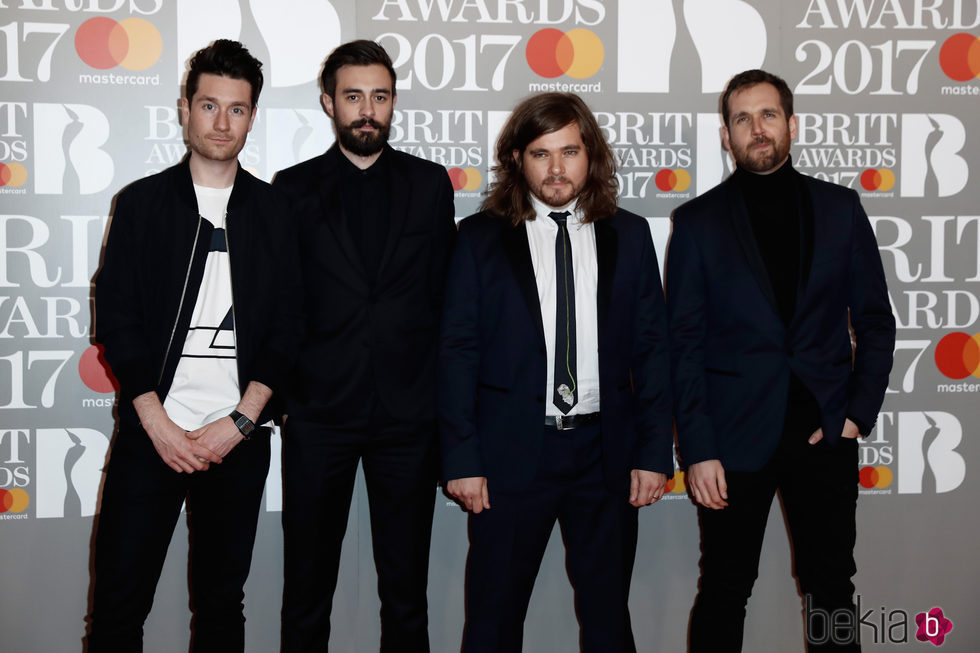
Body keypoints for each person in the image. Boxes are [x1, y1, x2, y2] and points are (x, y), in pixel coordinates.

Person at [667, 69, 896, 652]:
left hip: (825, 435)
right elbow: (682, 345)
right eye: (742, 119)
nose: (757, 129)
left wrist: (856, 415)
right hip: (732, 441)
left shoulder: (841, 209)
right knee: (723, 588)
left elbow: (874, 321)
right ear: (726, 136)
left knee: (832, 590)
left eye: (768, 115)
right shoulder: (695, 224)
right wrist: (697, 448)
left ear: (792, 125)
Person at [439, 92, 673, 653]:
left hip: (606, 455)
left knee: (608, 621)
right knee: (492, 623)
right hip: (509, 455)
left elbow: (653, 351)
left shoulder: (632, 235)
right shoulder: (478, 239)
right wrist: (463, 458)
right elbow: (456, 353)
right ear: (518, 159)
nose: (557, 168)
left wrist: (651, 453)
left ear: (590, 155)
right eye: (541, 153)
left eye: (569, 151)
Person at [88, 39, 302, 652]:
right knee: (116, 611)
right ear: (185, 109)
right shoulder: (141, 203)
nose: (221, 122)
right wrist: (153, 420)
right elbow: (119, 317)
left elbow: (291, 323)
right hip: (152, 433)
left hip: (236, 437)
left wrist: (242, 418)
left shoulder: (275, 212)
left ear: (253, 117)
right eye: (209, 105)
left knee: (219, 609)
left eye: (237, 109)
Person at [273, 40, 456, 652]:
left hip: (407, 420)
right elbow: (277, 301)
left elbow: (443, 300)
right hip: (318, 417)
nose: (367, 110)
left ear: (394, 101)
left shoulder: (430, 185)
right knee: (306, 591)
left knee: (406, 595)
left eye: (379, 96)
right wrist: (287, 399)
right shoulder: (291, 188)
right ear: (329, 103)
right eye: (353, 96)